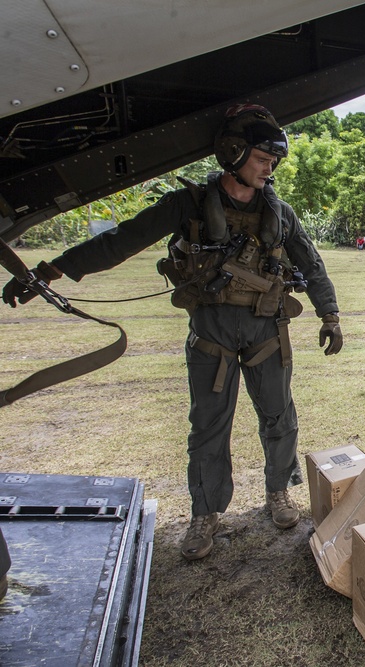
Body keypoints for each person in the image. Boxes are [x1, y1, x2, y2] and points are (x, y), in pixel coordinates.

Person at [2, 104, 343, 560]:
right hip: (211, 337)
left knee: (280, 418)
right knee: (207, 427)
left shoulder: (280, 213)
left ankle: (278, 493)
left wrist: (331, 315)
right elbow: (122, 239)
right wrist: (51, 270)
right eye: (262, 158)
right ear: (234, 153)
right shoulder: (189, 205)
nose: (270, 167)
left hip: (267, 333)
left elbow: (311, 265)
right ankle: (205, 514)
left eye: (272, 160)